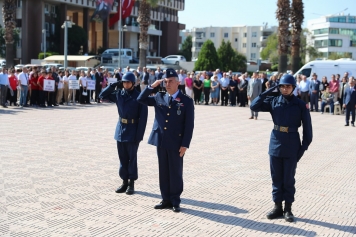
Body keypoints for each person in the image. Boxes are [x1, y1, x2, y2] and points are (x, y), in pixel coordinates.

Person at [250, 74, 312, 223]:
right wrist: (268, 91)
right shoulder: (273, 101)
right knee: (276, 177)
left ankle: (288, 209)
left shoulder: (300, 105)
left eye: (288, 86)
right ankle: (277, 206)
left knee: (288, 179)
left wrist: (302, 149)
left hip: (292, 145)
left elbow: (308, 131)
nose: (285, 89)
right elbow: (254, 106)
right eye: (282, 86)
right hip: (275, 143)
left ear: (293, 88)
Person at [137, 68, 194, 213]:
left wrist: (185, 144)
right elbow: (140, 99)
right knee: (163, 171)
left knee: (175, 171)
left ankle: (175, 200)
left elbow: (189, 125)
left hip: (176, 142)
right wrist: (152, 86)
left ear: (178, 82)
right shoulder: (159, 96)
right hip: (161, 140)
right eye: (166, 81)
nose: (167, 84)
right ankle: (165, 199)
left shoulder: (186, 101)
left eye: (171, 81)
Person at [99, 72, 148, 195]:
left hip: (133, 130)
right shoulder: (119, 94)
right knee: (122, 158)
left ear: (133, 83)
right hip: (120, 129)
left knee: (132, 158)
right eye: (124, 82)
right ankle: (124, 182)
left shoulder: (139, 97)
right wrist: (113, 85)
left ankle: (131, 184)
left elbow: (143, 118)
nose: (126, 84)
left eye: (128, 82)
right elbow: (101, 95)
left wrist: (139, 136)